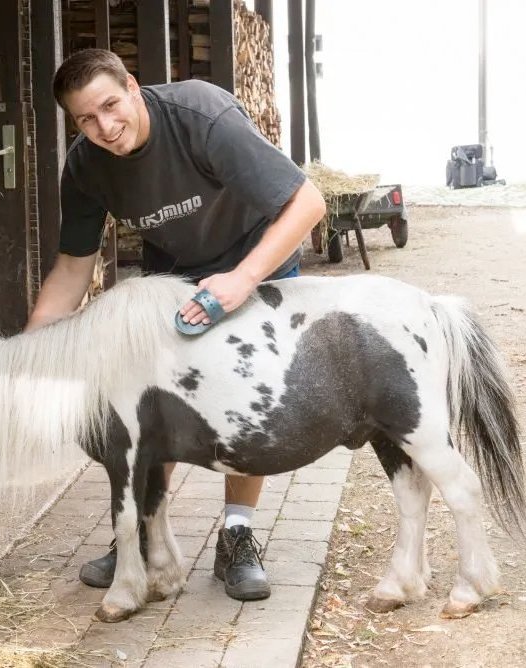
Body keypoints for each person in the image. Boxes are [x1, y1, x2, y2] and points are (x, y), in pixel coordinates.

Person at [25, 49, 326, 601]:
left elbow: (308, 203)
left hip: (257, 256)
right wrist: (29, 356)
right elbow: (72, 269)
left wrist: (243, 279)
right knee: (147, 397)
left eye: (111, 106)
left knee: (241, 396)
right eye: (86, 120)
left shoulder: (201, 116)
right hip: (175, 272)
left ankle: (237, 535)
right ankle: (143, 531)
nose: (105, 127)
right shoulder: (86, 166)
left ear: (133, 88)